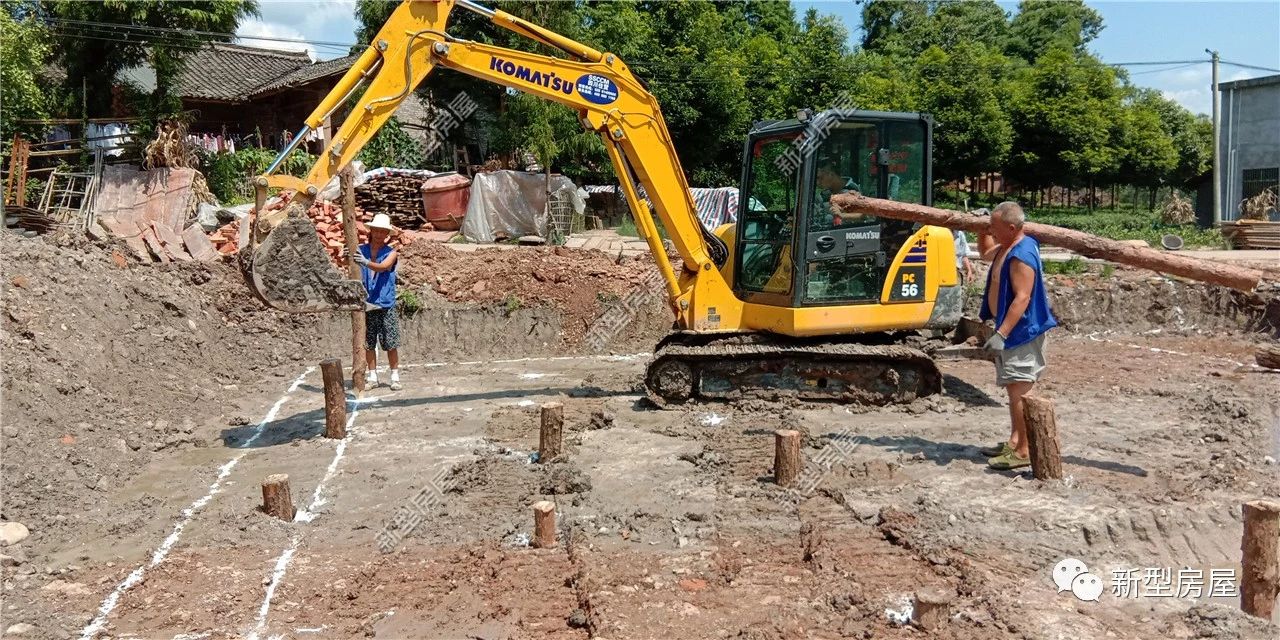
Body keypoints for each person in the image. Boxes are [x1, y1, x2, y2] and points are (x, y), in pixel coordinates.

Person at [975, 202, 1058, 470]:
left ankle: (1023, 451)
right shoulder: (1007, 247)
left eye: (994, 228)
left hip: (1021, 332)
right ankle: (1014, 441)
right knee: (1013, 390)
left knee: (1020, 392)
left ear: (1011, 228)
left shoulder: (1022, 254)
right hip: (1012, 330)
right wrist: (979, 229)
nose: (992, 231)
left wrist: (1002, 333)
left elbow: (1022, 298)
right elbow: (987, 252)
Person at [352, 214, 402, 391]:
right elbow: (352, 265)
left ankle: (394, 376)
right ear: (371, 231)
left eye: (383, 231)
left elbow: (383, 267)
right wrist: (347, 256)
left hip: (385, 302)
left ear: (387, 233)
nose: (380, 234)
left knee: (390, 342)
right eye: (377, 230)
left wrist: (365, 262)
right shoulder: (361, 250)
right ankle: (372, 376)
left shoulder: (391, 253)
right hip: (367, 302)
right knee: (369, 342)